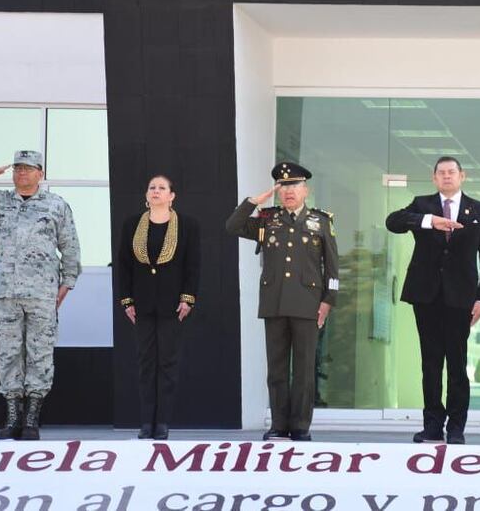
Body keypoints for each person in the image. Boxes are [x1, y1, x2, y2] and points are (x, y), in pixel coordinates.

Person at [0, 150, 81, 441]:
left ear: (40, 174)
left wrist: (67, 283)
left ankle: (31, 419)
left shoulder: (56, 205)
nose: (22, 173)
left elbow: (69, 245)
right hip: (7, 294)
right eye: (18, 168)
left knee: (39, 354)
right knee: (8, 354)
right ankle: (12, 418)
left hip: (42, 294)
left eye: (28, 168)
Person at [386, 156, 480, 445]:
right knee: (431, 363)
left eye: (452, 172)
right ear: (434, 178)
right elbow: (393, 222)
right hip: (426, 294)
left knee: (457, 364)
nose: (447, 176)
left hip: (461, 297)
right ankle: (432, 425)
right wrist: (428, 221)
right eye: (441, 173)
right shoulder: (421, 204)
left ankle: (456, 427)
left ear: (462, 176)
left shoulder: (479, 210)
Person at [226, 161, 338, 442]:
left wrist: (328, 301)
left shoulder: (321, 222)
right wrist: (255, 201)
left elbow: (332, 268)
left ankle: (300, 426)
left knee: (303, 370)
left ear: (305, 190)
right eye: (283, 187)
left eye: (294, 186)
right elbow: (233, 225)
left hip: (308, 305)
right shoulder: (268, 219)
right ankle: (279, 425)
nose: (289, 191)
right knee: (276, 369)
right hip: (274, 303)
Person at [117, 175, 200, 440]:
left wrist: (187, 298)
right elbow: (124, 264)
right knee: (145, 363)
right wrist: (127, 300)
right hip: (142, 304)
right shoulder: (132, 224)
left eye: (162, 188)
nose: (156, 191)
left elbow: (192, 265)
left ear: (171, 196)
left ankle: (162, 421)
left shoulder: (187, 225)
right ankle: (146, 422)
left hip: (172, 304)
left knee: (167, 362)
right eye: (152, 187)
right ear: (146, 194)